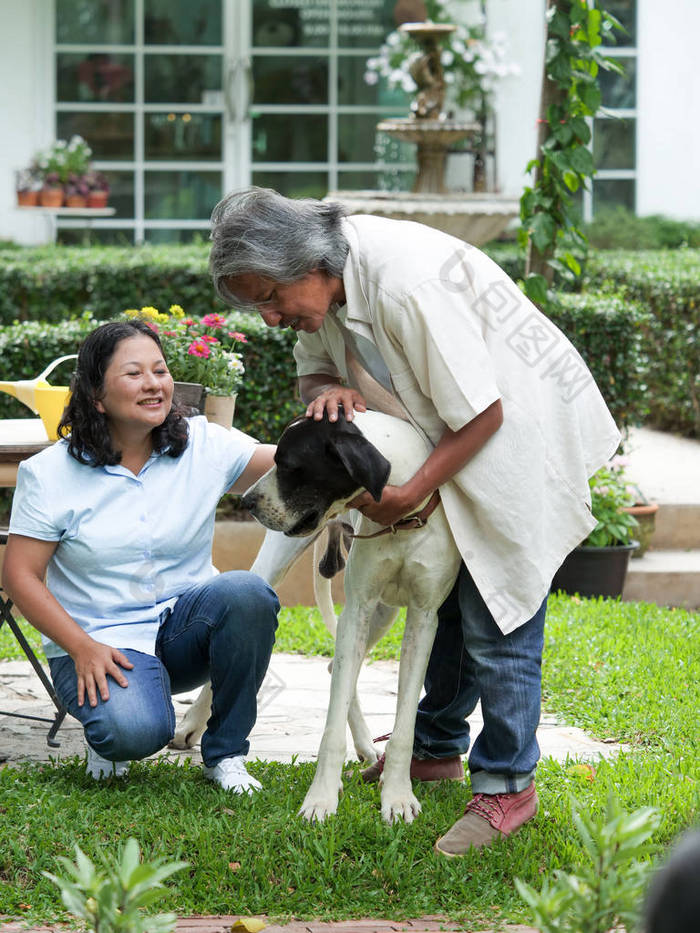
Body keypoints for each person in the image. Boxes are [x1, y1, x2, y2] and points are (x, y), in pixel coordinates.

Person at [208, 187, 621, 851]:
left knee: (497, 613)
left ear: (307, 266)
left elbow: (484, 413)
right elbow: (312, 383)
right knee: (450, 606)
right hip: (447, 432)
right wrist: (329, 391)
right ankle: (433, 748)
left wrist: (409, 496)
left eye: (269, 297)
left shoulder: (403, 285)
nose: (268, 315)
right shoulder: (326, 294)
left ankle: (508, 786)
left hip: (513, 429)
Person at [2, 320, 279, 794]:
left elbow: (288, 462)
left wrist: (331, 420)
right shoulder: (49, 474)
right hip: (97, 645)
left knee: (247, 592)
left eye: (161, 370)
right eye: (134, 374)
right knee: (134, 732)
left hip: (184, 629)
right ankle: (113, 724)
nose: (154, 384)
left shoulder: (203, 444)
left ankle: (226, 755)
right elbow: (21, 574)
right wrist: (81, 646)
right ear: (95, 394)